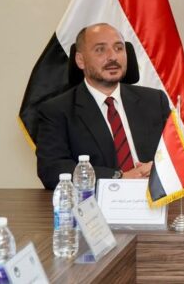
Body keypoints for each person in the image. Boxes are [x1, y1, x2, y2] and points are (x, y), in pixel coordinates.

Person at [35, 23, 170, 189]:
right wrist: (120, 178)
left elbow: (182, 153)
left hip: (153, 195)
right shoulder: (56, 110)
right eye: (100, 49)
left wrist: (158, 168)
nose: (112, 57)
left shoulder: (155, 100)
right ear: (80, 60)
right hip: (96, 200)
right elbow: (52, 169)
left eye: (119, 48)